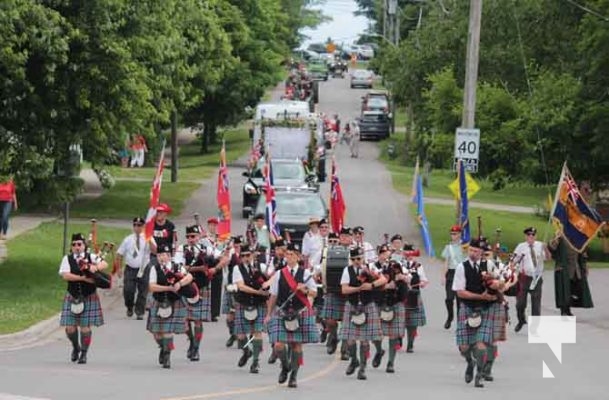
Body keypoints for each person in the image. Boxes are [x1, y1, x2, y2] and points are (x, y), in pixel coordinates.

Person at [265, 243, 319, 388]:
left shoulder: (306, 274)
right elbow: (273, 296)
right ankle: (285, 366)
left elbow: (315, 293)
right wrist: (269, 314)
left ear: (298, 257)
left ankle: (294, 376)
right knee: (278, 345)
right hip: (282, 312)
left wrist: (305, 289)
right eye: (287, 254)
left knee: (296, 346)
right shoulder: (279, 274)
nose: (289, 257)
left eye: (292, 254)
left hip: (299, 312)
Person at [452, 238, 498, 388]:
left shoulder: (490, 266)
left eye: (476, 251)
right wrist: (480, 296)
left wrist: (498, 286)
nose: (473, 253)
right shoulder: (461, 267)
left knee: (481, 344)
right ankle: (470, 362)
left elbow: (502, 282)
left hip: (486, 308)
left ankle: (479, 374)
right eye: (471, 250)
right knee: (464, 346)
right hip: (468, 307)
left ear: (482, 253)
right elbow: (460, 293)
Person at [58, 233, 108, 364]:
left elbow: (105, 264)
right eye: (74, 244)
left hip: (89, 296)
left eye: (79, 244)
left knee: (85, 328)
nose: (76, 247)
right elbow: (65, 275)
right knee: (70, 328)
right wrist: (82, 278)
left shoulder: (91, 257)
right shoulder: (67, 259)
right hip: (72, 295)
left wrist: (95, 267)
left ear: (84, 246)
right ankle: (75, 347)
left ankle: (84, 354)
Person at [339, 247, 387, 380]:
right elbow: (344, 289)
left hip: (367, 305)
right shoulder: (347, 270)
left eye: (358, 259)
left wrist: (371, 285)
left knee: (365, 341)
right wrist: (359, 288)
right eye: (353, 259)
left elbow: (383, 280)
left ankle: (362, 368)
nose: (356, 261)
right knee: (350, 340)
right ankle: (354, 360)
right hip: (353, 305)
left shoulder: (370, 268)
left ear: (363, 258)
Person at [179, 225, 223, 361]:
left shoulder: (207, 249)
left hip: (202, 286)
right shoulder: (181, 249)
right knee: (185, 320)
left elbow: (223, 258)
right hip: (186, 287)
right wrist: (199, 268)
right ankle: (191, 341)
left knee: (197, 321)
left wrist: (214, 269)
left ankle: (196, 348)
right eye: (188, 237)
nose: (190, 239)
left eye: (193, 236)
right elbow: (181, 267)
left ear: (198, 237)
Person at [147, 245, 193, 369]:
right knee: (156, 334)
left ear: (169, 256)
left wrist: (179, 283)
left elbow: (189, 277)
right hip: (159, 301)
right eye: (159, 255)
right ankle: (163, 347)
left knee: (167, 331)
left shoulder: (176, 266)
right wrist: (168, 288)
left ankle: (167, 356)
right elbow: (151, 287)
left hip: (174, 302)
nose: (161, 257)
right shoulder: (154, 269)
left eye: (164, 255)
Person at [232, 244, 270, 373]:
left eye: (247, 255)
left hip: (259, 304)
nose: (245, 258)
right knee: (241, 336)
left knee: (257, 332)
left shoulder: (262, 267)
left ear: (252, 255)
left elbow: (272, 278)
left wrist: (267, 285)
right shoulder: (237, 269)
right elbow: (241, 286)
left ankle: (255, 362)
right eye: (242, 256)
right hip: (243, 303)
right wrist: (258, 292)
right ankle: (246, 351)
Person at [370, 247, 408, 373]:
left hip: (395, 303)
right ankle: (379, 350)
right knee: (375, 334)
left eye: (388, 254)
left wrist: (403, 278)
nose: (386, 256)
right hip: (379, 303)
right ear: (379, 254)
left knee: (393, 336)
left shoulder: (398, 266)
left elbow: (409, 279)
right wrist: (386, 286)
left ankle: (391, 362)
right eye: (383, 253)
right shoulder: (372, 268)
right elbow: (369, 286)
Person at [512, 227, 551, 332]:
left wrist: (546, 249)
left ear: (535, 236)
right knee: (520, 303)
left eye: (533, 235)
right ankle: (521, 320)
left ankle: (534, 328)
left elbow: (548, 258)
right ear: (525, 236)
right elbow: (514, 260)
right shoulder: (521, 247)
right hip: (523, 278)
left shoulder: (540, 245)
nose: (531, 237)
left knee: (536, 304)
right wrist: (511, 267)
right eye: (528, 235)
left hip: (536, 278)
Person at [548, 231, 594, 316]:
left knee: (573, 289)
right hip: (563, 267)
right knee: (564, 290)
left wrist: (584, 266)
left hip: (575, 267)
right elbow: (552, 247)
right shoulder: (559, 234)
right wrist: (556, 239)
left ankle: (568, 309)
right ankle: (564, 311)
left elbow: (583, 251)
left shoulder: (577, 236)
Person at [115, 217, 152, 320]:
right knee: (128, 290)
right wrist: (118, 269)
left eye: (139, 225)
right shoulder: (128, 239)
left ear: (143, 226)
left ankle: (140, 311)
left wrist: (150, 241)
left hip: (144, 267)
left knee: (143, 291)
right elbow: (119, 254)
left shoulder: (148, 238)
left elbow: (155, 251)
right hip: (130, 268)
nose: (136, 227)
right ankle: (129, 306)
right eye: (135, 225)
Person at [402, 244, 428, 353]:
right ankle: (398, 339)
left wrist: (422, 283)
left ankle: (410, 344)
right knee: (399, 320)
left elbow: (424, 279)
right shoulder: (398, 264)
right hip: (401, 295)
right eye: (407, 253)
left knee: (413, 322)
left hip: (414, 294)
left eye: (411, 253)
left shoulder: (418, 266)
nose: (409, 256)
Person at [441, 225, 466, 329]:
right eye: (452, 234)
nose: (453, 236)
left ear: (460, 234)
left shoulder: (465, 247)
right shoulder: (448, 247)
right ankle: (450, 316)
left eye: (455, 234)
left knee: (460, 299)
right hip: (451, 273)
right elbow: (446, 262)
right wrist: (443, 275)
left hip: (461, 273)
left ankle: (460, 321)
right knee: (449, 298)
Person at [222, 236, 243, 348]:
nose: (237, 248)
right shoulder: (230, 254)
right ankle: (233, 334)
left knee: (241, 314)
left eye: (238, 246)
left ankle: (241, 336)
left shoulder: (246, 255)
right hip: (231, 285)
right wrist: (227, 251)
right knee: (230, 315)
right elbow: (224, 262)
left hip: (243, 287)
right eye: (235, 246)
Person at [202, 217, 223, 321]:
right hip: (207, 264)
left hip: (217, 265)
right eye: (211, 225)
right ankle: (205, 312)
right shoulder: (203, 239)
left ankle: (214, 313)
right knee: (205, 289)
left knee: (216, 289)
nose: (212, 227)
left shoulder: (221, 239)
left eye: (214, 225)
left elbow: (224, 253)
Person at [0, 176, 18, 240]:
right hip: (0, 201)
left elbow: (13, 194)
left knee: (4, 216)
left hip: (8, 201)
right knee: (3, 218)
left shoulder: (11, 184)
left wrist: (15, 203)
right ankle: (3, 233)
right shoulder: (0, 183)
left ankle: (2, 233)